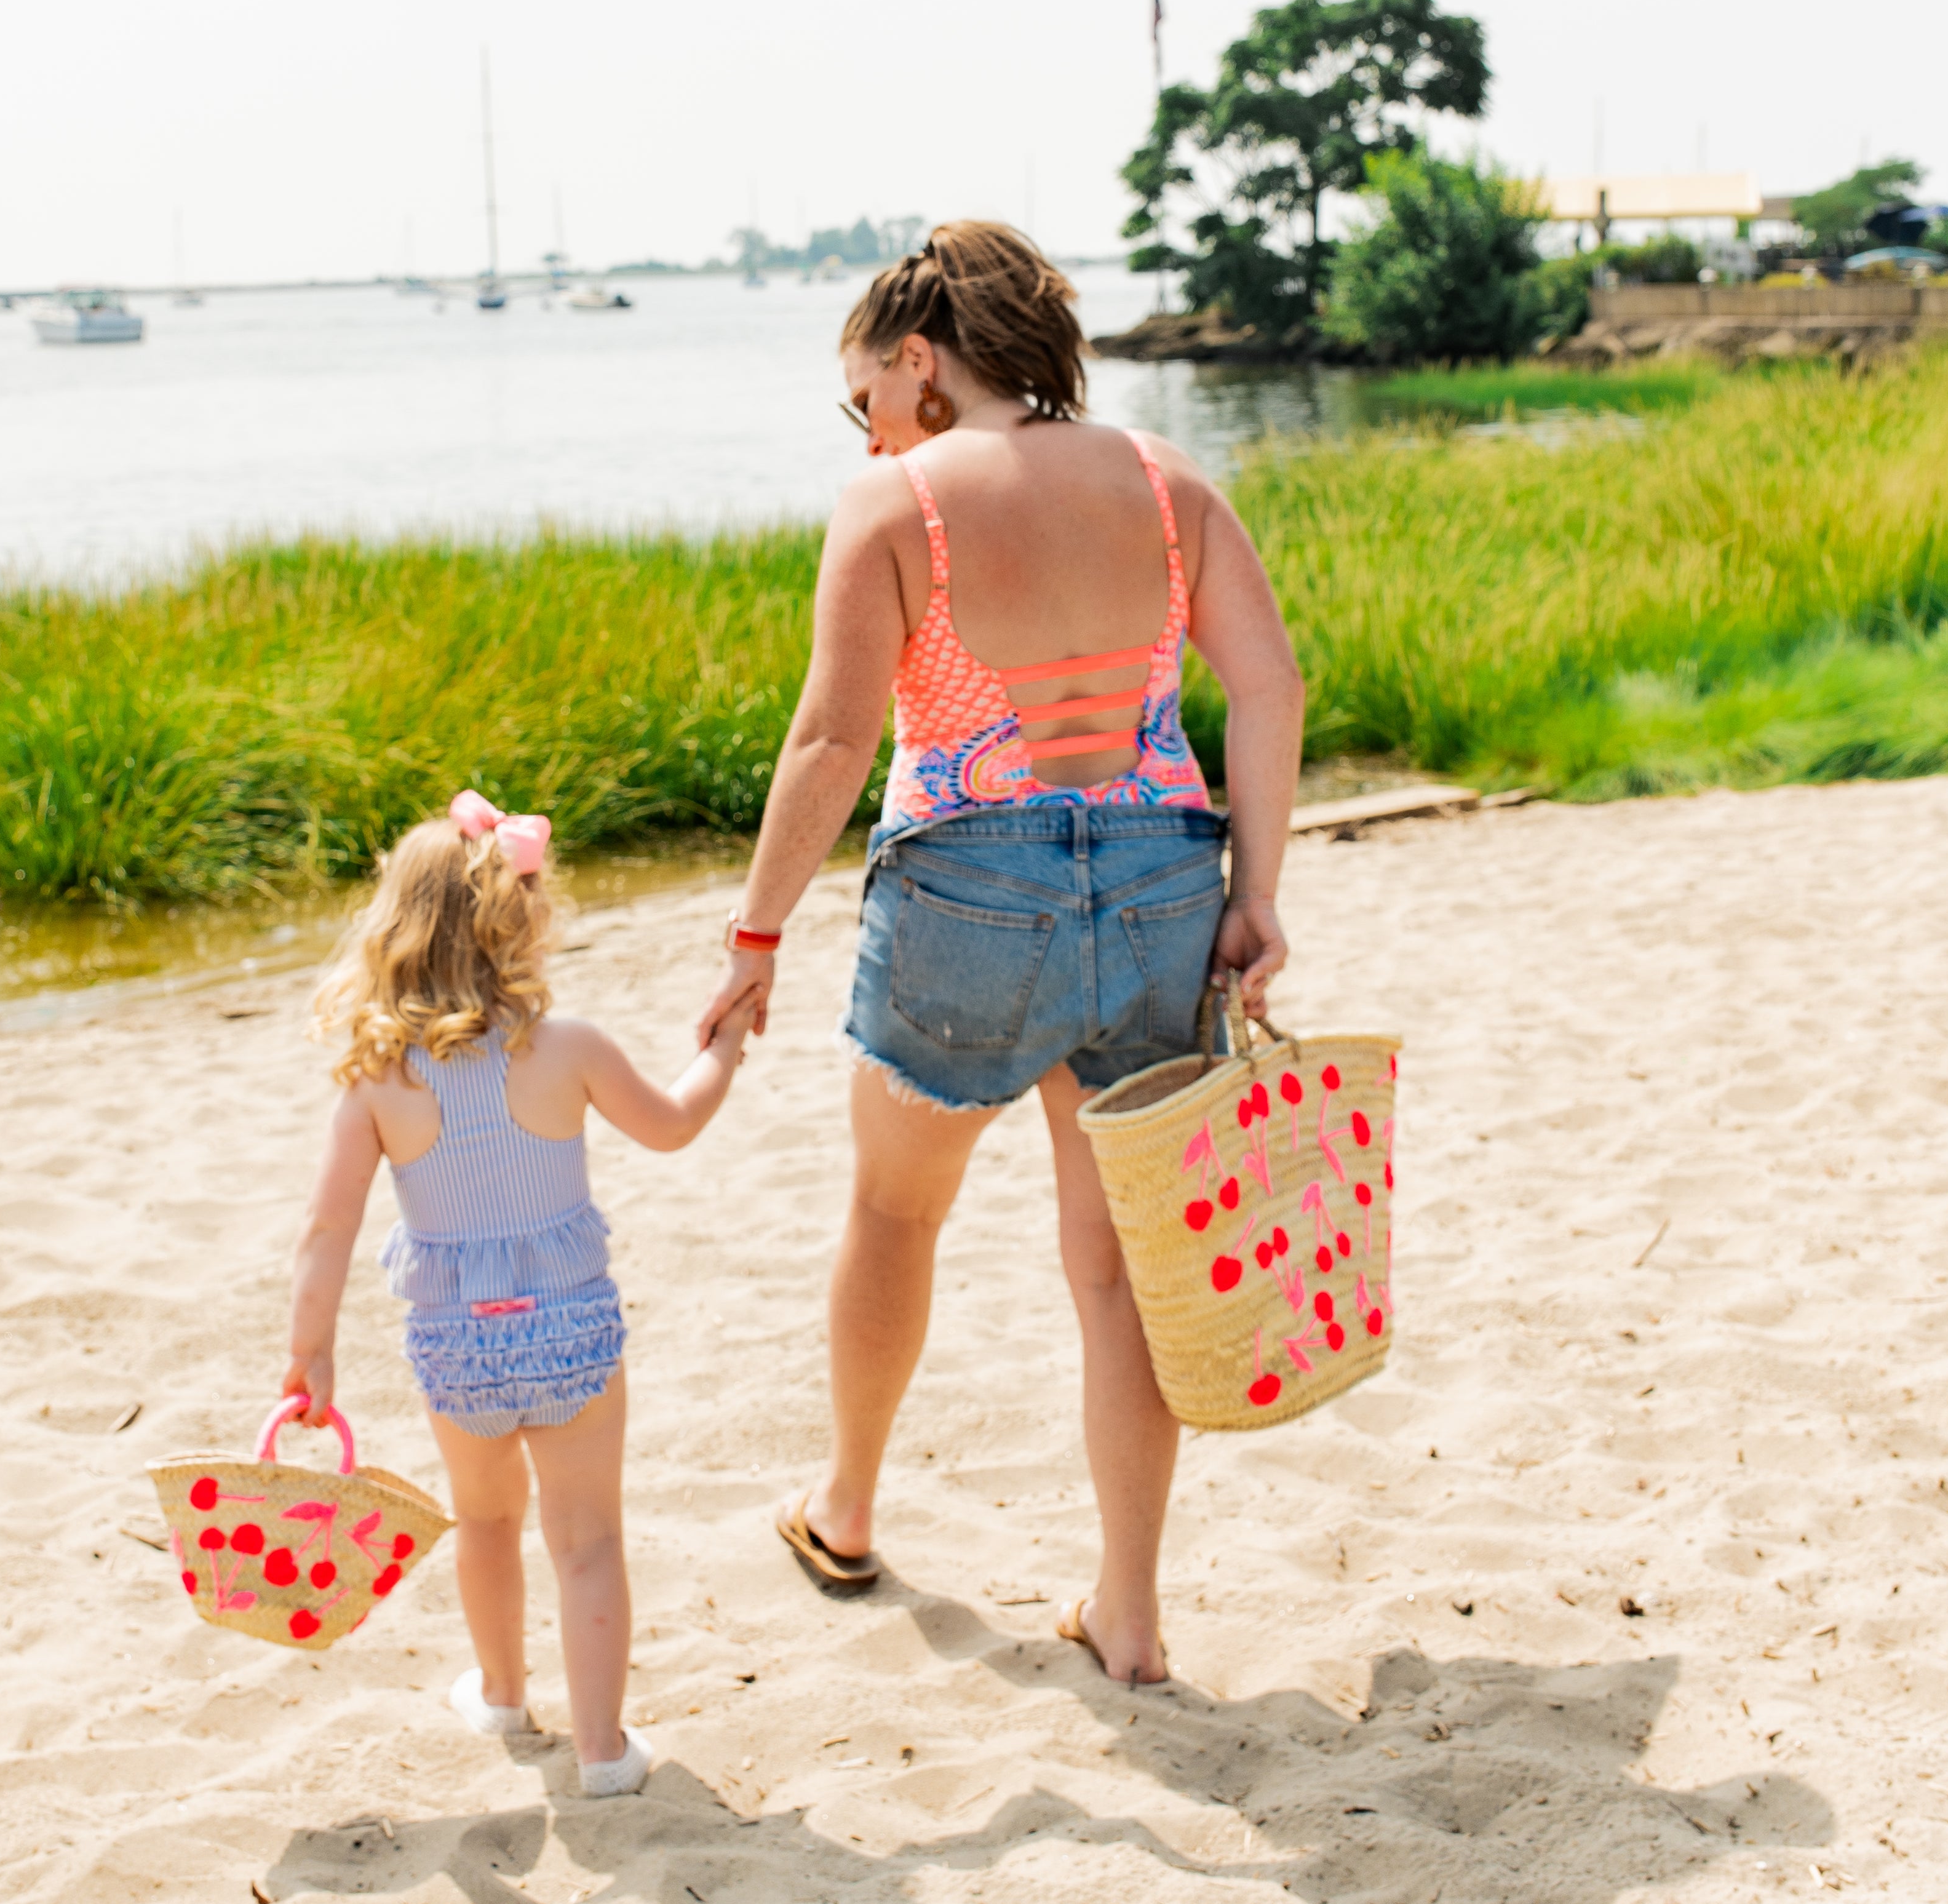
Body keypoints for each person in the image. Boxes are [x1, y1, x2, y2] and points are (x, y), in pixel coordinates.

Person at [696, 221, 1304, 1687]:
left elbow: (837, 738)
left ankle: (843, 1512)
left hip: (969, 893)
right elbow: (1269, 685)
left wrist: (757, 930)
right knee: (1117, 1271)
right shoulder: (1169, 487)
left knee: (897, 1217)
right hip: (1164, 885)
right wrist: (1259, 894)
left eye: (864, 395)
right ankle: (1132, 1614)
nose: (865, 426)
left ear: (919, 361)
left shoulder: (897, 501)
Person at [283, 789, 756, 1796]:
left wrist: (311, 1353)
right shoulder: (568, 1047)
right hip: (571, 1334)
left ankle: (501, 1695)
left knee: (487, 1523)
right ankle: (601, 1753)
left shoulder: (377, 1076)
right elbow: (673, 1125)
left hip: (459, 1347)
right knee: (587, 1540)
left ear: (397, 930)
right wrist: (722, 1051)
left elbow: (327, 1231)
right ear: (518, 917)